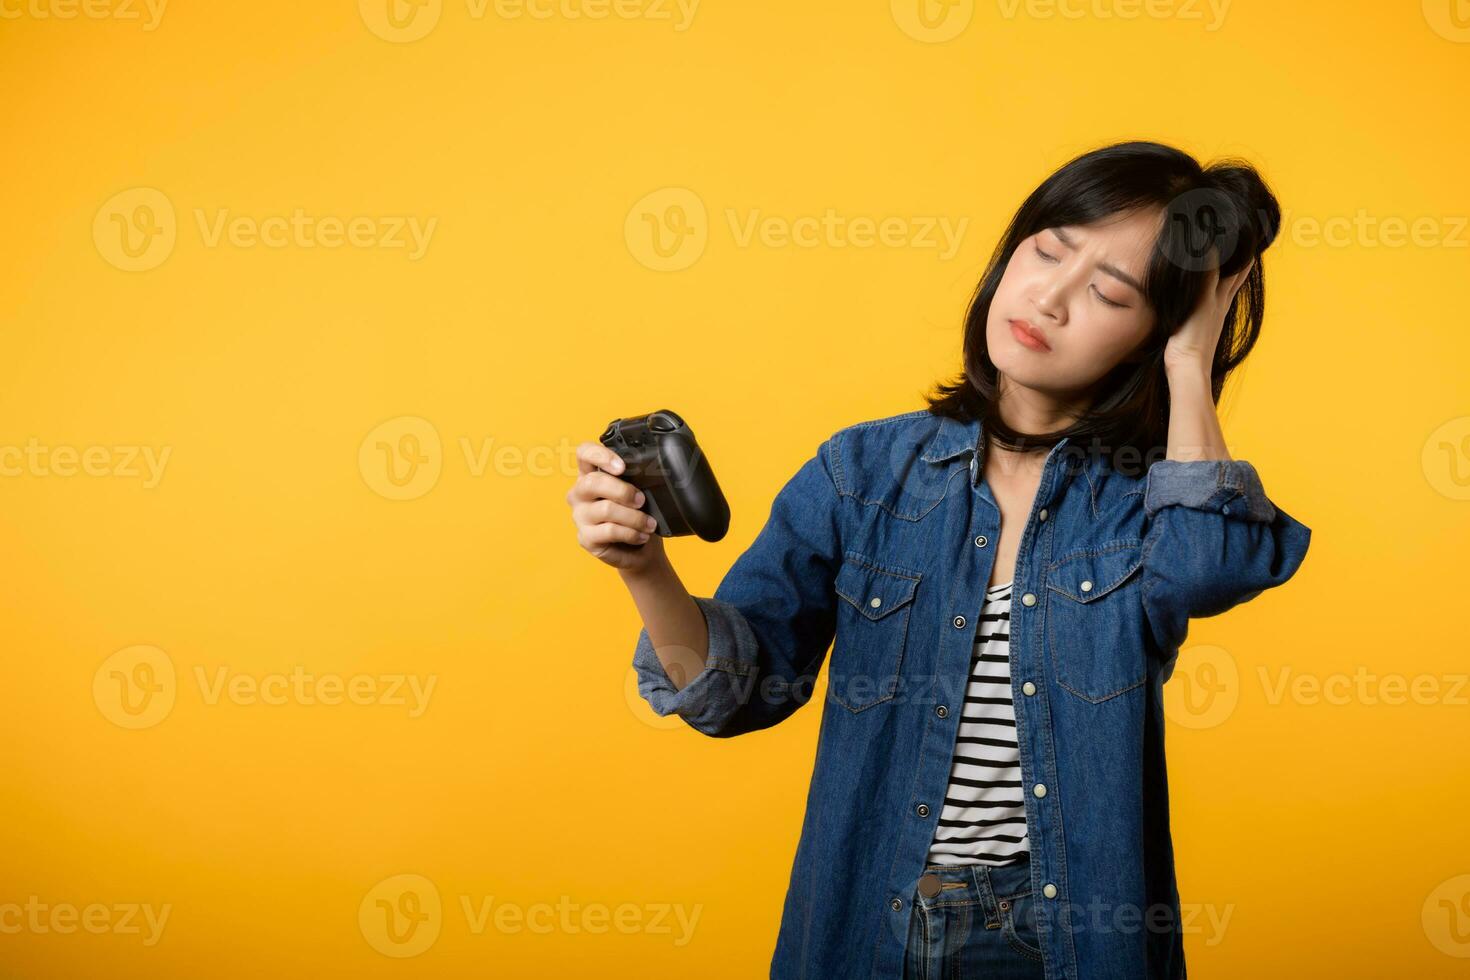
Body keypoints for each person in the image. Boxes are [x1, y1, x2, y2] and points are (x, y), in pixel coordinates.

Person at [566, 139, 1313, 979]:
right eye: (1048, 250)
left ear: (1153, 333)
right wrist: (643, 569)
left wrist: (1191, 362)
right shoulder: (862, 477)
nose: (1052, 299)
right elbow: (736, 694)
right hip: (871, 925)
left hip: (1064, 941)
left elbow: (1210, 565)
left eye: (1109, 292)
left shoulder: (1143, 505)